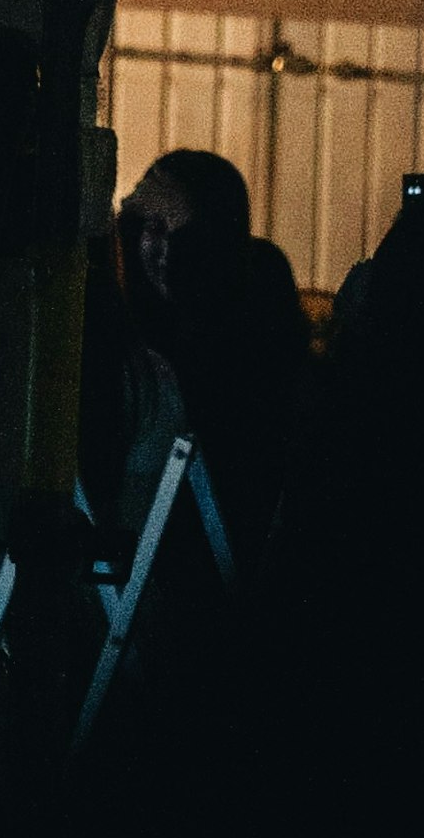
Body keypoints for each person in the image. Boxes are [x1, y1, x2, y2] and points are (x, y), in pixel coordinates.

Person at [118, 143, 313, 553]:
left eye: (183, 234)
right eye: (150, 228)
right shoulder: (132, 316)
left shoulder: (253, 298)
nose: (163, 250)